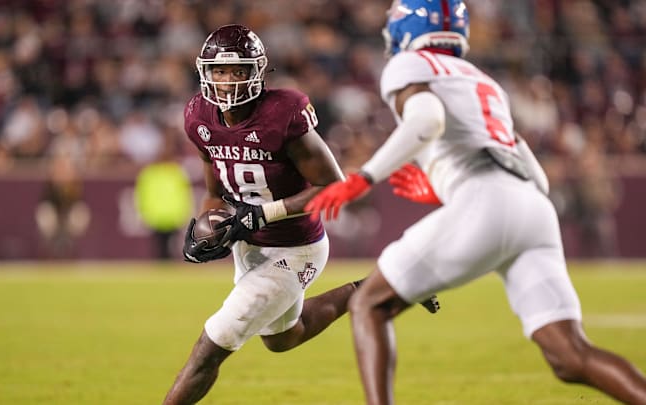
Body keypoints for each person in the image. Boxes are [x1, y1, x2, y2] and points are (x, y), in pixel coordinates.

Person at [306, 1, 646, 404]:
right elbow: (530, 169)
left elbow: (426, 120)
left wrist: (364, 178)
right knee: (570, 355)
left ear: (404, 29)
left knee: (368, 304)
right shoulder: (481, 80)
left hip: (485, 199)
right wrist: (447, 187)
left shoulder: (410, 64)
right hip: (531, 207)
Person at [162, 24, 439, 405]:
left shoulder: (282, 113)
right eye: (220, 71)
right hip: (250, 247)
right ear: (204, 72)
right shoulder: (199, 117)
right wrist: (206, 227)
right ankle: (380, 285)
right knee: (283, 338)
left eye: (238, 70)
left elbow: (334, 187)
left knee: (211, 346)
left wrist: (264, 214)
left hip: (294, 247)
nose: (228, 81)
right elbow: (214, 194)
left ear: (257, 71)